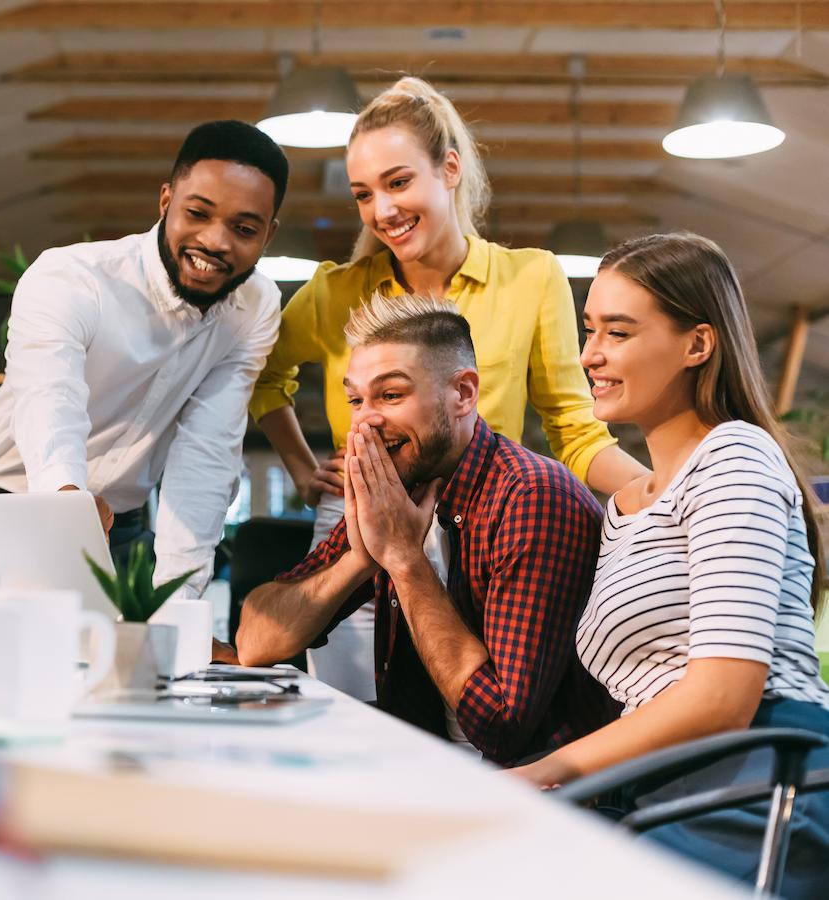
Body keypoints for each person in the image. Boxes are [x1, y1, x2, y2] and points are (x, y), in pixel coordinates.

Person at [249, 77, 646, 700]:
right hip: (358, 525)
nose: (382, 210)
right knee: (354, 711)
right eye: (363, 194)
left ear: (450, 170)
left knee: (471, 710)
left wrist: (672, 492)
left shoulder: (529, 278)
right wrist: (302, 469)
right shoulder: (336, 291)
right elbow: (259, 372)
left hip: (484, 526)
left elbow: (575, 431)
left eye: (398, 182)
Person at [510, 233, 828, 896]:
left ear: (697, 344)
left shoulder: (734, 458)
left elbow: (721, 696)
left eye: (619, 332)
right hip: (666, 786)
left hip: (764, 779)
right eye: (590, 329)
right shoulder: (628, 507)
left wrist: (546, 771)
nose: (590, 354)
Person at [237, 294, 619, 764]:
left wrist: (404, 560)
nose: (365, 421)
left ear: (463, 394)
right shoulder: (396, 492)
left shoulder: (532, 497)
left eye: (391, 395)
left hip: (533, 786)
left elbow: (500, 728)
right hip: (425, 765)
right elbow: (255, 644)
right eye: (356, 399)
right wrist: (359, 559)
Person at [0, 120, 287, 598]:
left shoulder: (255, 307)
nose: (215, 241)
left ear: (268, 235)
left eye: (244, 229)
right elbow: (50, 399)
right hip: (3, 512)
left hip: (123, 535)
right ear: (166, 201)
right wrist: (68, 507)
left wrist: (179, 599)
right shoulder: (71, 277)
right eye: (197, 213)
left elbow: (207, 451)